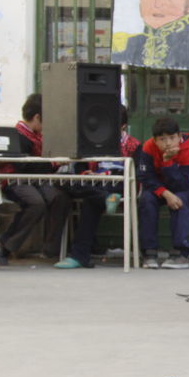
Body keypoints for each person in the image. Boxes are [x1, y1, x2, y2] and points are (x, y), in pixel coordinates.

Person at [53, 105, 142, 270]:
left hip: (119, 182)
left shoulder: (133, 145)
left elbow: (137, 174)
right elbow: (81, 167)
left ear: (122, 125)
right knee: (64, 182)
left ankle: (79, 256)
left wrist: (111, 174)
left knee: (90, 201)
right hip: (96, 181)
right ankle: (103, 197)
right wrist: (87, 173)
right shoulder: (93, 141)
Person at [0, 93, 69, 266]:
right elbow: (25, 167)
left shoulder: (37, 136)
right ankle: (5, 243)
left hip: (36, 180)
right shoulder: (19, 136)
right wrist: (53, 164)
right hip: (15, 181)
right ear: (37, 117)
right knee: (36, 202)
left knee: (59, 197)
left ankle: (50, 248)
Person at [136, 116, 189, 269]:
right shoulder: (148, 148)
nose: (168, 143)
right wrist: (165, 193)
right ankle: (149, 252)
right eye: (162, 139)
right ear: (155, 140)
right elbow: (144, 176)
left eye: (172, 138)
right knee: (147, 199)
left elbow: (183, 184)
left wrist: (167, 162)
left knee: (179, 200)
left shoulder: (188, 151)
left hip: (188, 185)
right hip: (160, 186)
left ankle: (180, 252)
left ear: (179, 137)